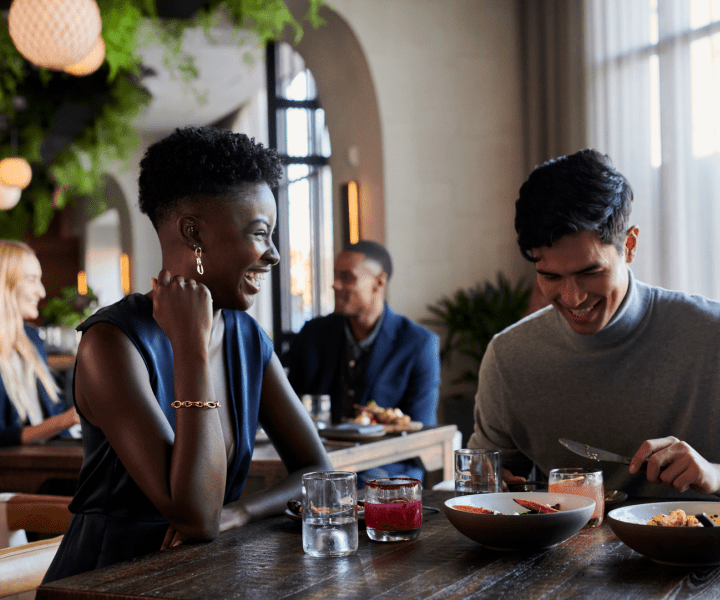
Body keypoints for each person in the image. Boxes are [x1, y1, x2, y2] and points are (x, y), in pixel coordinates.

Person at [43, 127, 332, 582]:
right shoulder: (111, 342)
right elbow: (196, 515)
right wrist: (191, 347)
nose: (274, 255)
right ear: (194, 233)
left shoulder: (247, 337)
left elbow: (317, 471)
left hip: (200, 573)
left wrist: (240, 513)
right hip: (105, 582)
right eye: (260, 233)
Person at [468, 149, 720, 500]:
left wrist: (718, 476)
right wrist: (490, 483)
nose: (573, 297)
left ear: (629, 245)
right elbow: (489, 478)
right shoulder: (508, 358)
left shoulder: (715, 334)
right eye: (550, 276)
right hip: (567, 553)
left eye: (590, 272)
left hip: (701, 548)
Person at [285, 240, 440, 483]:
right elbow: (288, 407)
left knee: (362, 481)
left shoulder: (418, 343)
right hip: (319, 464)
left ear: (380, 282)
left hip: (389, 469)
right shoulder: (313, 334)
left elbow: (420, 429)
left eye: (347, 277)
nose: (335, 285)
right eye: (336, 276)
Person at [0, 240, 79, 446]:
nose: (42, 292)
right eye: (31, 279)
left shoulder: (32, 337)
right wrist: (64, 421)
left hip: (47, 457)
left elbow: (55, 412)